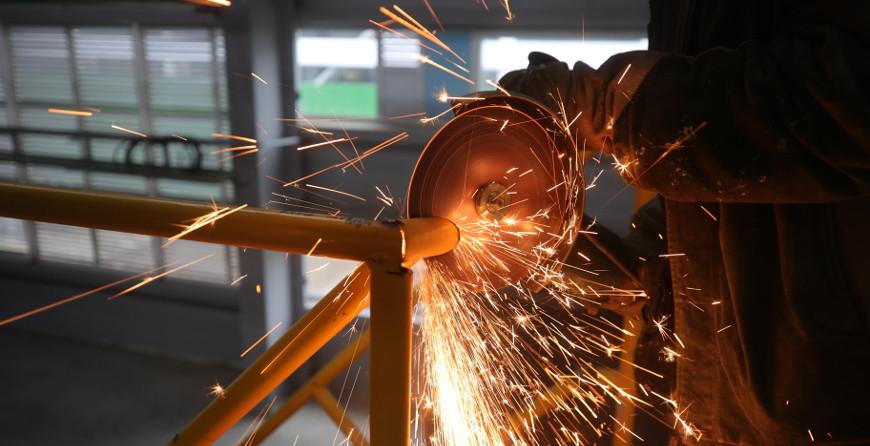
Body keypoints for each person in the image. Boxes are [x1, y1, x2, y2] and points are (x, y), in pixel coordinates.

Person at [499, 1, 870, 444]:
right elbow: (729, 198)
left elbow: (845, 103)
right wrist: (645, 274)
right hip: (717, 410)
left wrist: (612, 108)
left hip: (830, 411)